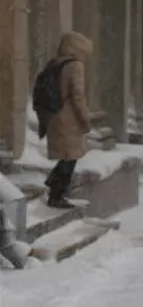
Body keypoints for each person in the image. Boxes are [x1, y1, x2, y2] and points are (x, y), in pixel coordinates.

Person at [35, 31, 93, 209]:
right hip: (68, 119)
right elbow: (77, 96)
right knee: (70, 157)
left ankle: (55, 188)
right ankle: (56, 193)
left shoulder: (54, 64)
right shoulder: (75, 66)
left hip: (53, 116)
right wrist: (85, 119)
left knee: (68, 157)